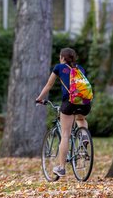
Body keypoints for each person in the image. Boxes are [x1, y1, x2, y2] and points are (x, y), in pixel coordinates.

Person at [35, 47, 91, 177]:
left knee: (65, 135)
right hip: (85, 103)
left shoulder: (59, 67)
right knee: (81, 119)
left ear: (62, 58)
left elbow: (49, 85)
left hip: (69, 103)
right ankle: (84, 136)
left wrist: (39, 99)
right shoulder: (80, 68)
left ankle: (61, 167)